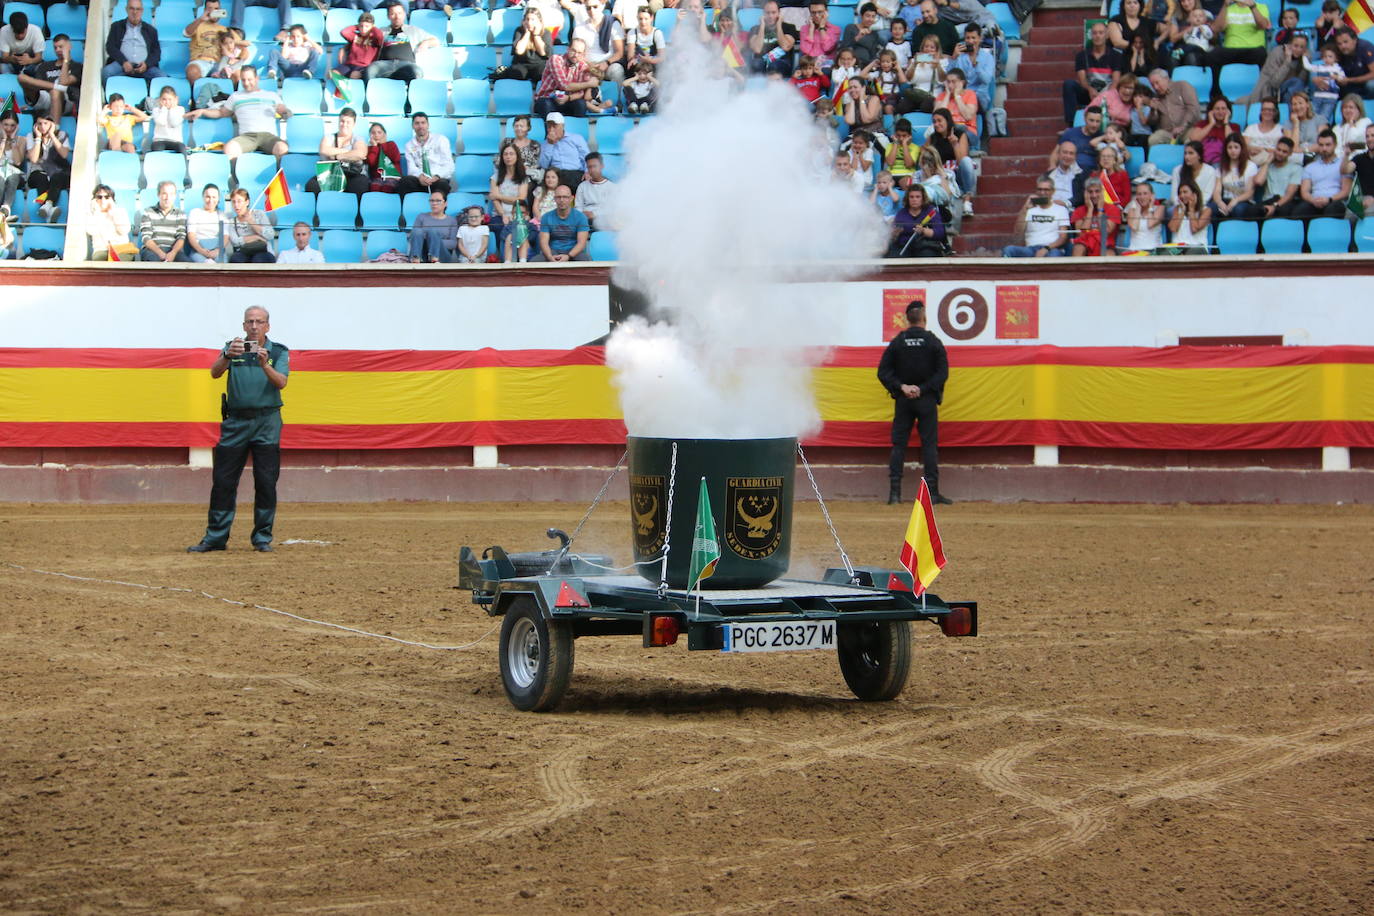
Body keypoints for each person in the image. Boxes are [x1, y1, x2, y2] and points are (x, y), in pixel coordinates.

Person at [188, 307, 289, 554]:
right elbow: (214, 373)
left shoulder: (278, 351)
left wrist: (265, 365)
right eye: (250, 322)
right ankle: (215, 537)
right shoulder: (232, 347)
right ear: (243, 326)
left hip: (267, 422)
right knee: (223, 481)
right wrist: (226, 355)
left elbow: (282, 382)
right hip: (235, 423)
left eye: (260, 322)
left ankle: (262, 537)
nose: (254, 326)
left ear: (268, 326)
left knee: (266, 482)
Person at [877, 299, 950, 506]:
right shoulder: (933, 341)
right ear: (924, 318)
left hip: (903, 400)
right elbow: (942, 373)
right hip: (925, 400)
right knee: (929, 445)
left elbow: (883, 372)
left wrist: (902, 387)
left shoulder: (898, 342)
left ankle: (894, 495)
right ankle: (932, 494)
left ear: (906, 319)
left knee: (899, 444)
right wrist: (923, 389)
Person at [186, 66, 291, 163]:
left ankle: (277, 177)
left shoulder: (271, 96)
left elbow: (287, 114)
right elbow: (221, 113)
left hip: (268, 136)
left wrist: (284, 111)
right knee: (229, 148)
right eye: (243, 80)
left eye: (249, 79)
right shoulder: (236, 97)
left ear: (257, 78)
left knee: (282, 148)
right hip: (247, 137)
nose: (246, 83)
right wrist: (203, 111)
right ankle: (235, 179)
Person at [1062, 20, 1123, 126]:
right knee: (1069, 84)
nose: (1097, 36)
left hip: (1108, 93)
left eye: (1101, 33)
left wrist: (1105, 95)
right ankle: (1071, 124)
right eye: (1094, 33)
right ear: (1090, 35)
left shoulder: (1116, 56)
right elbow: (1082, 80)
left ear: (1107, 35)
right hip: (1089, 93)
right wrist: (1090, 89)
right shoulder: (1082, 55)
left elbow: (1116, 81)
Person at [1206, 0, 1270, 94]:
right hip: (1230, 50)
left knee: (1262, 53)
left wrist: (1252, 7)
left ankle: (1262, 93)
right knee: (1214, 54)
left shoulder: (1261, 7)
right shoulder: (1229, 9)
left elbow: (1263, 25)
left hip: (1253, 50)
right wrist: (1225, 6)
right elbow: (1216, 29)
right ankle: (1216, 94)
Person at [306, 107, 369, 197]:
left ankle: (353, 210)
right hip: (329, 174)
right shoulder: (329, 137)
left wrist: (337, 156)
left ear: (354, 124)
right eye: (342, 121)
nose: (344, 124)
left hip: (352, 174)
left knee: (360, 185)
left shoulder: (358, 138)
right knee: (312, 186)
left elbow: (360, 153)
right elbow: (324, 150)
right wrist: (350, 153)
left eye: (348, 122)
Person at [367, 3, 439, 82]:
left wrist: (425, 43)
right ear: (388, 16)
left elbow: (435, 41)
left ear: (404, 14)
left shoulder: (413, 30)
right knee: (370, 70)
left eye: (399, 13)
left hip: (407, 65)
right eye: (393, 14)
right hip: (384, 65)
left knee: (417, 72)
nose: (397, 17)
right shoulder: (381, 31)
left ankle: (412, 94)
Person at [1003, 175, 1071, 257]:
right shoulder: (1029, 209)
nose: (1042, 193)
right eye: (1040, 189)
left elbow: (1063, 237)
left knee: (1054, 255)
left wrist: (1046, 249)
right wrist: (1025, 209)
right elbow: (1018, 232)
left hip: (1051, 249)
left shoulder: (1060, 209)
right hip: (1030, 249)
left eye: (1046, 190)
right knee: (1009, 250)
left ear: (1053, 191)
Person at [925, 107, 977, 213]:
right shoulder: (932, 138)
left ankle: (967, 199)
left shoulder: (960, 134)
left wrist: (955, 144)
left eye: (939, 121)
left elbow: (961, 160)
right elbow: (925, 156)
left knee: (967, 161)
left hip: (958, 174)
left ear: (947, 121)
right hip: (942, 175)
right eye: (934, 121)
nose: (936, 124)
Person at [1293, 128, 1351, 217]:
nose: (1324, 148)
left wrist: (1329, 200)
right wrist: (1313, 200)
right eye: (1321, 145)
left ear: (1335, 145)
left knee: (1332, 209)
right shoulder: (1310, 167)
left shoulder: (1343, 165)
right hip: (1314, 201)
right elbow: (1304, 192)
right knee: (1299, 211)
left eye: (1328, 145)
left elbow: (1345, 191)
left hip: (1335, 201)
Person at [1239, 32, 1309, 106]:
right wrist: (1287, 62)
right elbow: (1274, 83)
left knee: (1296, 83)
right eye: (1295, 46)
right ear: (1289, 45)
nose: (1298, 50)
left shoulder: (1305, 57)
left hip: (1289, 90)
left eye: (1302, 47)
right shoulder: (1277, 53)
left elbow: (1302, 81)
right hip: (1270, 90)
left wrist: (1305, 63)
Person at [18, 33, 80, 117]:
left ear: (69, 46)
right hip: (44, 97)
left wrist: (66, 61)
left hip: (65, 99)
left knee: (55, 93)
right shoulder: (45, 66)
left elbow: (64, 81)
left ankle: (55, 128)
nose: (58, 50)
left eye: (61, 47)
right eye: (55, 48)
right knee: (21, 77)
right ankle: (56, 87)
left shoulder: (77, 66)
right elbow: (37, 86)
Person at [534, 38, 600, 117]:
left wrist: (568, 98)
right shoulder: (556, 59)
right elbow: (564, 85)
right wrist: (589, 84)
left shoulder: (583, 66)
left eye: (579, 53)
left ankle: (578, 128)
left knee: (581, 104)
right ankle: (549, 128)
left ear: (583, 54)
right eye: (573, 51)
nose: (575, 55)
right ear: (568, 49)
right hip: (548, 98)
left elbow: (580, 92)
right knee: (545, 104)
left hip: (567, 100)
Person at [24, 112, 70, 223]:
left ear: (52, 124)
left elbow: (64, 154)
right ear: (35, 125)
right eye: (40, 123)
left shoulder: (62, 135)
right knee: (41, 178)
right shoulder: (31, 136)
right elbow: (34, 159)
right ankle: (49, 209)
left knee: (57, 177)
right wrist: (38, 138)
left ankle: (47, 206)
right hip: (39, 172)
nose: (43, 127)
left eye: (46, 123)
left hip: (59, 171)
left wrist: (53, 135)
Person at [568, 0, 627, 85]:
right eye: (588, 8)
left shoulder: (613, 24)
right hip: (587, 65)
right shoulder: (580, 28)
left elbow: (619, 52)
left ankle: (619, 97)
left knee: (616, 70)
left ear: (602, 6)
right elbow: (576, 52)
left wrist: (606, 63)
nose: (592, 11)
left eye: (595, 7)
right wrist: (588, 65)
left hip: (608, 64)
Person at [102, 0, 163, 81]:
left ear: (142, 11)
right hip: (122, 65)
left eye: (138, 9)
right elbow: (110, 47)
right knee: (106, 72)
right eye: (132, 8)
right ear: (126, 9)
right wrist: (123, 62)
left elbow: (156, 52)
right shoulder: (116, 26)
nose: (135, 12)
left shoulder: (151, 30)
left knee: (161, 76)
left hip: (144, 67)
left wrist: (146, 64)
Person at [396, 111, 453, 197]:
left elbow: (449, 165)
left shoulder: (441, 140)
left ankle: (440, 210)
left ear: (428, 125)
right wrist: (420, 177)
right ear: (412, 126)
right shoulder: (409, 145)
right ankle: (408, 209)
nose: (420, 126)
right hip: (419, 180)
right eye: (417, 123)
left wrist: (436, 176)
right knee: (404, 182)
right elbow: (411, 168)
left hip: (437, 178)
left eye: (423, 123)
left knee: (443, 185)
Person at [530, 184, 590, 261]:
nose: (562, 200)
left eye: (565, 197)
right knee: (534, 262)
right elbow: (543, 242)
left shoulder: (581, 217)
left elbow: (581, 243)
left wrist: (568, 256)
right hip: (553, 252)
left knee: (586, 262)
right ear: (554, 199)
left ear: (571, 198)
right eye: (559, 197)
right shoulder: (546, 217)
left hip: (574, 252)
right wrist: (549, 257)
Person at [496, 6, 555, 83]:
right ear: (523, 21)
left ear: (539, 21)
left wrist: (536, 35)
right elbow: (519, 51)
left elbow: (543, 52)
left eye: (533, 20)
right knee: (517, 75)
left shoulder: (546, 32)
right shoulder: (519, 31)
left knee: (542, 75)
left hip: (539, 64)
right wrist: (527, 33)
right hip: (521, 63)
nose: (529, 22)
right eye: (527, 19)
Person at [1144, 68, 1200, 147]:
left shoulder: (1182, 86)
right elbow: (1152, 123)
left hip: (1188, 128)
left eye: (1157, 83)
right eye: (1152, 85)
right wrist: (1153, 110)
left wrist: (1182, 126)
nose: (1155, 87)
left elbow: (1193, 108)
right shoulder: (1156, 97)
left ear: (1166, 78)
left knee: (1191, 141)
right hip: (1168, 133)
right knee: (1153, 139)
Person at [537, 112, 591, 192]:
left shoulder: (576, 138)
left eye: (554, 126)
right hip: (557, 175)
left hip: (575, 173)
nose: (551, 130)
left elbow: (587, 157)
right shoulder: (545, 144)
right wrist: (550, 145)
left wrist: (588, 171)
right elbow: (543, 165)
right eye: (549, 127)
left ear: (562, 126)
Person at [888, 184, 945, 256]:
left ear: (923, 198)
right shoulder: (902, 213)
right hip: (904, 246)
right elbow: (894, 236)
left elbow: (940, 232)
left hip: (925, 246)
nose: (914, 199)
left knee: (926, 255)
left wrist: (923, 230)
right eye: (911, 197)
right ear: (907, 199)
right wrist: (895, 233)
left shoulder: (931, 211)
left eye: (918, 197)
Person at [1210, 134, 1258, 219]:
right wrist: (1220, 202)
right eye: (1230, 147)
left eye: (1236, 147)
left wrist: (1236, 200)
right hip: (1226, 199)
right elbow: (1217, 191)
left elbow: (1250, 193)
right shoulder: (1221, 167)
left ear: (1242, 148)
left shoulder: (1251, 166)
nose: (1233, 151)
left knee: (1237, 209)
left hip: (1243, 201)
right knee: (1210, 208)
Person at [950, 23, 994, 115]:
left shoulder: (987, 57)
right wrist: (953, 58)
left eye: (973, 38)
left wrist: (976, 65)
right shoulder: (960, 56)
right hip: (960, 95)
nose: (970, 41)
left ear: (980, 38)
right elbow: (949, 77)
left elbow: (986, 80)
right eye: (967, 38)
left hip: (978, 97)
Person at [138, 181, 189, 262]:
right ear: (158, 195)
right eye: (164, 193)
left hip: (173, 250)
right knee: (155, 264)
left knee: (188, 265)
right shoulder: (148, 212)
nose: (167, 197)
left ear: (175, 196)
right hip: (152, 250)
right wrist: (160, 253)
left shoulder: (180, 214)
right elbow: (146, 238)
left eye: (171, 194)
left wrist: (173, 253)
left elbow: (181, 237)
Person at [185, 0, 231, 84]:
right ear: (205, 10)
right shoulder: (198, 25)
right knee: (192, 71)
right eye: (210, 9)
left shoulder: (224, 29)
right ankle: (202, 95)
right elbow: (186, 33)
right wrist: (200, 20)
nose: (214, 11)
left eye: (216, 8)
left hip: (218, 64)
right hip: (200, 61)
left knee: (236, 74)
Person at [224, 187, 276, 262]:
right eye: (233, 202)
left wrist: (251, 222)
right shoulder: (232, 221)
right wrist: (256, 237)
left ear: (247, 202)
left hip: (263, 251)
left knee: (258, 260)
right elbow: (235, 242)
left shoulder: (259, 214)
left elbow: (270, 235)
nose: (236, 205)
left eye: (239, 201)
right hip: (244, 251)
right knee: (235, 259)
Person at [750, 0, 798, 77]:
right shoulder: (755, 29)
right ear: (763, 14)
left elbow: (785, 46)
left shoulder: (789, 27)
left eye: (773, 12)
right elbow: (757, 49)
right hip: (761, 61)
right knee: (756, 64)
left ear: (779, 13)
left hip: (781, 62)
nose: (770, 16)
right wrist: (762, 27)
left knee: (774, 65)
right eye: (767, 13)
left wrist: (779, 26)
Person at [86, 185, 135, 260]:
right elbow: (92, 231)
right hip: (101, 250)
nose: (103, 200)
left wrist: (113, 214)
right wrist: (97, 212)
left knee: (118, 263)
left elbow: (123, 231)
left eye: (106, 197)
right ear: (95, 199)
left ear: (112, 199)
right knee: (99, 260)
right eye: (99, 197)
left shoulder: (120, 211)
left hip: (121, 249)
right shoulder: (92, 214)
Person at [1188, 95, 1240, 164]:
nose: (1220, 111)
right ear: (1211, 111)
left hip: (1224, 162)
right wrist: (1211, 123)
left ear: (1228, 111)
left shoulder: (1234, 127)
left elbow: (1231, 142)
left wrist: (1226, 122)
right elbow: (1194, 139)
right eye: (1217, 109)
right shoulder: (1202, 124)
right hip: (1204, 161)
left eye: (1223, 108)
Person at [1257, 136, 1302, 217]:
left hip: (1284, 201)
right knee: (1251, 211)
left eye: (1284, 152)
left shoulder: (1296, 168)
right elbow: (1258, 182)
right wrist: (1267, 162)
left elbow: (1290, 194)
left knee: (1283, 211)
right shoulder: (1268, 166)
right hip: (1268, 200)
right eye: (1278, 149)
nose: (1280, 153)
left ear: (1290, 153)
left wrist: (1274, 206)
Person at [408, 190, 458, 262]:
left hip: (442, 255)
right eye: (432, 200)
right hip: (423, 253)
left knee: (433, 232)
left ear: (445, 203)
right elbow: (414, 237)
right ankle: (415, 258)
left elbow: (453, 244)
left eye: (438, 201)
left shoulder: (451, 220)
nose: (434, 203)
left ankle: (434, 257)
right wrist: (430, 240)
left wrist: (434, 241)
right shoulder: (421, 216)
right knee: (417, 231)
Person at [1055, 105, 1104, 173]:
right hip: (1071, 172)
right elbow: (1056, 152)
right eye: (1091, 120)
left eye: (1097, 121)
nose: (1094, 125)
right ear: (1084, 118)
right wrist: (1052, 167)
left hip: (1093, 175)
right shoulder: (1071, 133)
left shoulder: (1103, 137)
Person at [574, 151, 615, 231]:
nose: (592, 170)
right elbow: (578, 207)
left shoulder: (612, 187)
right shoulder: (582, 186)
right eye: (589, 167)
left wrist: (594, 214)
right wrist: (581, 216)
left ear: (602, 166)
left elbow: (612, 208)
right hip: (584, 220)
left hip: (604, 220)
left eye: (595, 166)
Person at [338, 11, 385, 80]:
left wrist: (373, 28)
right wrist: (356, 26)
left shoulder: (375, 39)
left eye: (367, 26)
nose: (363, 29)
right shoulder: (355, 37)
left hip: (363, 66)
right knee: (332, 73)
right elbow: (344, 32)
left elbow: (379, 35)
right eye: (361, 26)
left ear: (372, 27)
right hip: (349, 65)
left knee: (355, 75)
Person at [1168, 177, 1211, 252]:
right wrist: (1182, 211)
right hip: (1178, 248)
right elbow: (1173, 228)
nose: (1182, 196)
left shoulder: (1206, 210)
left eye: (1185, 192)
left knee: (1190, 253)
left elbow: (1194, 229)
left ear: (1194, 194)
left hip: (1197, 248)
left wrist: (1191, 209)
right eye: (1180, 193)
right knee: (1163, 254)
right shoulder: (1177, 209)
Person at [186, 183, 227, 262]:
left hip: (217, 251)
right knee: (207, 265)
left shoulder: (222, 215)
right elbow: (191, 236)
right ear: (203, 197)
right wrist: (202, 251)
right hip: (198, 251)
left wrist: (217, 251)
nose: (211, 200)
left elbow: (226, 236)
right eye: (208, 197)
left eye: (214, 197)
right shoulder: (194, 212)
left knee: (223, 265)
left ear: (218, 198)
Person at [1170, 140, 1218, 205]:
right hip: (1181, 206)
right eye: (1185, 153)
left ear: (1199, 156)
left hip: (1201, 206)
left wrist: (1194, 206)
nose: (1187, 157)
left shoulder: (1210, 171)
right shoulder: (1177, 170)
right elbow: (1174, 196)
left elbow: (1207, 195)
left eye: (1191, 153)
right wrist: (1182, 206)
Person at [1121, 179, 1164, 252]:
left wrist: (1150, 207)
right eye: (1139, 194)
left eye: (1145, 193)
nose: (1142, 197)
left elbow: (1150, 224)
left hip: (1153, 251)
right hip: (1135, 251)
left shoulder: (1160, 208)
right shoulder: (1132, 210)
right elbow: (1134, 227)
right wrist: (1137, 209)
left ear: (1152, 195)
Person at [498, 115, 543, 185]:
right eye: (516, 126)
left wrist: (525, 168)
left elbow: (536, 164)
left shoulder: (535, 145)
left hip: (527, 177)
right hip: (509, 173)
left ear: (528, 128)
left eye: (522, 126)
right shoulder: (506, 142)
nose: (519, 128)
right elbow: (499, 160)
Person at [1333, 26, 1374, 100]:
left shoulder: (1365, 48)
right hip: (1349, 85)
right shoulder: (1337, 51)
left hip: (1365, 82)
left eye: (1345, 42)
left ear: (1354, 40)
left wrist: (1349, 80)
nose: (1343, 46)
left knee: (1371, 85)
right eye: (1339, 44)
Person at [800, 1, 842, 71]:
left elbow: (827, 48)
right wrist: (811, 30)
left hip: (827, 65)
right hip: (808, 65)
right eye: (813, 12)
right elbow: (805, 51)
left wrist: (822, 28)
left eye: (820, 12)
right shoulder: (804, 29)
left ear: (826, 12)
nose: (816, 15)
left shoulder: (835, 29)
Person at [1, 11, 44, 76]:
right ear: (11, 28)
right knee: (3, 67)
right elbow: (5, 57)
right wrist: (12, 59)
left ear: (27, 27)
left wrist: (30, 60)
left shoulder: (36, 31)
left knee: (40, 68)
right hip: (12, 60)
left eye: (22, 32)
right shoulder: (4, 31)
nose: (20, 36)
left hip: (31, 59)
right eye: (17, 33)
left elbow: (39, 57)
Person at [840, 3, 883, 68]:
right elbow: (844, 48)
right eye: (867, 16)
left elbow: (872, 55)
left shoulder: (874, 34)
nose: (870, 19)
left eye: (873, 16)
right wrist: (857, 37)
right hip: (849, 64)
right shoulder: (850, 28)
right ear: (861, 16)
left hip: (866, 65)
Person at [1242, 98, 1284, 166]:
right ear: (1261, 111)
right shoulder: (1251, 128)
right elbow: (1244, 146)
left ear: (1275, 112)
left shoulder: (1281, 130)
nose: (1267, 112)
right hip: (1251, 160)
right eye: (1264, 109)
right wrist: (1265, 150)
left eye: (1270, 110)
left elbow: (1281, 150)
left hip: (1271, 163)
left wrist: (1262, 150)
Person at [1286, 91, 1328, 158]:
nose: (1297, 107)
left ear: (1307, 104)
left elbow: (1323, 143)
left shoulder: (1319, 119)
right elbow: (1291, 147)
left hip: (1317, 156)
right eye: (1294, 104)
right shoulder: (1288, 123)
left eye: (1300, 103)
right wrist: (1296, 124)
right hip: (1296, 159)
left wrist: (1303, 150)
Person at [1333, 92, 1372, 161]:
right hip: (1340, 161)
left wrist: (1351, 124)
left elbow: (1354, 139)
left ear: (1359, 110)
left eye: (1351, 107)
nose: (1348, 110)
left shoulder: (1366, 122)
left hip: (1359, 160)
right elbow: (1335, 148)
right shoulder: (1337, 128)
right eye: (1345, 107)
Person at [0, 111, 24, 221]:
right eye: (5, 125)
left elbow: (18, 162)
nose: (9, 129)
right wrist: (3, 140)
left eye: (12, 125)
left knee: (13, 177)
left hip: (14, 173)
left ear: (17, 126)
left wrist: (13, 141)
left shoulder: (21, 140)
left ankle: (5, 209)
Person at [366, 122, 404, 192]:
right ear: (370, 136)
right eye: (373, 133)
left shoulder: (391, 144)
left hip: (393, 177)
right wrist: (374, 146)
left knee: (387, 187)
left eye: (379, 132)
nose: (376, 135)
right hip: (377, 178)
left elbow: (396, 158)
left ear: (385, 134)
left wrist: (382, 145)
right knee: (374, 187)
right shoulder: (370, 148)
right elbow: (371, 162)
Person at [150, 85, 187, 153]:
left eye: (170, 99)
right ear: (160, 99)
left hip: (175, 141)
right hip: (159, 140)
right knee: (156, 149)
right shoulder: (156, 110)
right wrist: (164, 109)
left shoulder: (180, 109)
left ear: (175, 99)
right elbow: (161, 122)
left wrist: (172, 109)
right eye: (164, 99)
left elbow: (174, 123)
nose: (167, 102)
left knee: (182, 148)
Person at [1347, 123, 1374, 216]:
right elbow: (1346, 170)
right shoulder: (1359, 158)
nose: (1369, 139)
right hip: (1360, 198)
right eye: (1367, 136)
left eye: (1373, 136)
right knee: (1350, 215)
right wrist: (1346, 155)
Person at [1047, 140, 1083, 207]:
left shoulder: (1081, 175)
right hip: (1050, 209)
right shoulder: (1048, 175)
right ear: (1058, 154)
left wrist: (1066, 203)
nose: (1068, 156)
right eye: (1065, 152)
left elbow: (1082, 197)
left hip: (1071, 210)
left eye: (1071, 153)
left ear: (1075, 157)